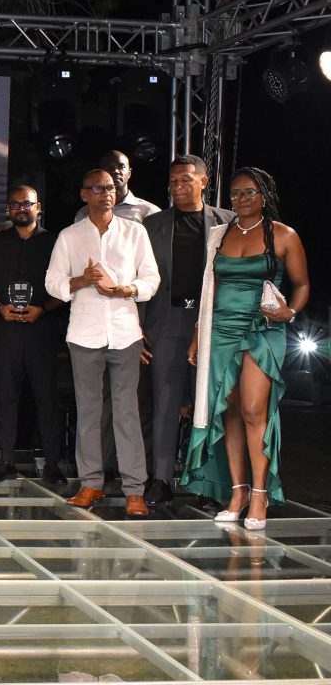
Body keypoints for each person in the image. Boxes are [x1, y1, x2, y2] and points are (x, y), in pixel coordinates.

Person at [182, 167, 309, 530]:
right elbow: (212, 289)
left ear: (266, 196)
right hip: (219, 329)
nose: (242, 199)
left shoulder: (284, 235)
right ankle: (237, 492)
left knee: (255, 409)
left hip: (262, 328)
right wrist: (197, 334)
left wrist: (290, 312)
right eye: (236, 194)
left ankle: (259, 494)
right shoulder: (220, 235)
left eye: (250, 193)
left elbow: (301, 285)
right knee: (229, 409)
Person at [45, 169, 160, 518]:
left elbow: (151, 278)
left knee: (126, 411)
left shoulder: (134, 232)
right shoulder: (70, 235)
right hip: (85, 333)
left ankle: (134, 490)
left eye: (110, 188)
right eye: (98, 189)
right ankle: (91, 483)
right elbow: (52, 282)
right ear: (84, 195)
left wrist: (126, 289)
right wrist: (81, 280)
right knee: (90, 411)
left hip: (125, 333)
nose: (106, 194)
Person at [140, 156, 235, 504]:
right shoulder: (153, 225)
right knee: (165, 403)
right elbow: (139, 276)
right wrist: (138, 323)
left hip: (212, 323)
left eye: (185, 180)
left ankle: (207, 482)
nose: (178, 188)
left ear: (203, 182)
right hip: (165, 321)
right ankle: (161, 479)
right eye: (173, 182)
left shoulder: (227, 222)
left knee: (208, 404)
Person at [0, 185, 66, 485]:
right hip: (5, 332)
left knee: (46, 399)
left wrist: (43, 308)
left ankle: (52, 464)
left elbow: (67, 288)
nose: (20, 209)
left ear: (37, 207)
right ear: (8, 209)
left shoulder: (56, 241)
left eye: (26, 204)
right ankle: (6, 462)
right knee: (6, 398)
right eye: (14, 205)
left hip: (42, 329)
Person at [73, 149, 161, 224]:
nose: (115, 171)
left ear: (129, 173)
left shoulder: (149, 212)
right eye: (109, 167)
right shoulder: (84, 213)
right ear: (101, 173)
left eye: (121, 166)